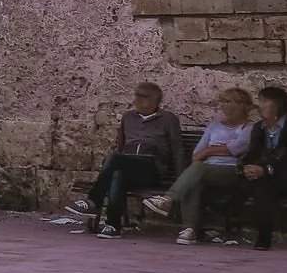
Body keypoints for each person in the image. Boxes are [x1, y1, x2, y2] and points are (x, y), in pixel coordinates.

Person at [66, 83, 184, 236]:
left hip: (151, 168)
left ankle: (93, 201)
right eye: (136, 96)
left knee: (114, 158)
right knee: (117, 174)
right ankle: (113, 225)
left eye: (143, 98)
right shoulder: (128, 117)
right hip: (128, 164)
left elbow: (178, 150)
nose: (137, 101)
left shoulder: (168, 119)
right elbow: (122, 146)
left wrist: (180, 183)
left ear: (155, 100)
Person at [145, 89, 254, 243]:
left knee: (198, 169)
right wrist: (223, 149)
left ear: (243, 105)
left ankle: (168, 199)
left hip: (232, 172)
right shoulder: (214, 125)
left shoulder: (250, 128)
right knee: (195, 179)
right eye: (223, 101)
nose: (225, 105)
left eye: (229, 101)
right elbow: (196, 154)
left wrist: (210, 150)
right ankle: (189, 230)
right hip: (206, 171)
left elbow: (238, 150)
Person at [240, 85, 287, 251]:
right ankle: (262, 235)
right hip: (271, 178)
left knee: (263, 182)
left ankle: (262, 236)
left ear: (277, 106)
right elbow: (252, 153)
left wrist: (266, 170)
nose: (259, 106)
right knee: (262, 183)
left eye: (264, 102)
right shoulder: (260, 128)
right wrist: (247, 167)